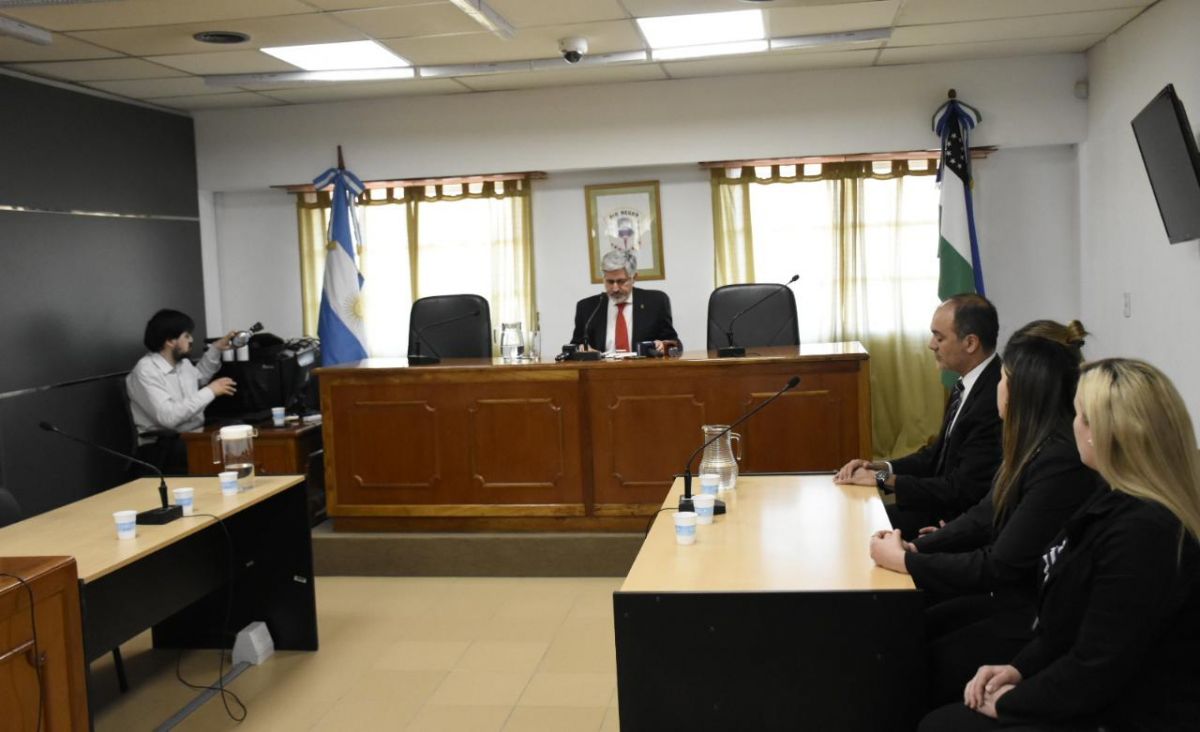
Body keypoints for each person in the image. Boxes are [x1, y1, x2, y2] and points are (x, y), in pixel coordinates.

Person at [921, 359, 1200, 731]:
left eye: (1081, 416)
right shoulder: (1108, 495)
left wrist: (1014, 702)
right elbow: (1066, 627)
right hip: (1084, 685)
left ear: (1103, 433)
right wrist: (1018, 669)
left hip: (1126, 711)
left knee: (940, 722)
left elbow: (1097, 665)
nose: (1073, 424)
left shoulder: (1144, 532)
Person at [869, 320, 1099, 705]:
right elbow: (984, 513)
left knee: (913, 659)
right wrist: (917, 549)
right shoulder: (1033, 446)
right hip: (1010, 599)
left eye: (1003, 378)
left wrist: (908, 563)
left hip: (1029, 617)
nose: (997, 386)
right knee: (911, 627)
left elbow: (999, 565)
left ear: (1021, 393)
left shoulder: (1060, 462)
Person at [836, 294, 1003, 538]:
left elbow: (962, 489)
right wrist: (879, 467)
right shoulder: (968, 384)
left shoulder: (992, 398)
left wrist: (883, 479)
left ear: (970, 343)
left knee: (859, 526)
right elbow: (935, 457)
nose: (931, 345)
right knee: (853, 515)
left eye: (939, 337)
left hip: (956, 522)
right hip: (937, 505)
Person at [126, 309, 238, 474]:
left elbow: (200, 379)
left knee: (238, 430)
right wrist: (211, 391)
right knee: (224, 452)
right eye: (186, 336)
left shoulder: (182, 364)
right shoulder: (146, 371)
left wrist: (216, 349)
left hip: (192, 435)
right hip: (163, 445)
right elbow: (168, 417)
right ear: (170, 341)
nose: (191, 340)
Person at [571, 249, 680, 355]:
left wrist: (663, 345)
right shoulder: (587, 307)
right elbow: (574, 346)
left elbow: (675, 344)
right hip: (601, 371)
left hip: (644, 370)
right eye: (610, 282)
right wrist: (581, 350)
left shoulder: (656, 302)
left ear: (634, 278)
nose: (615, 288)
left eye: (621, 281)